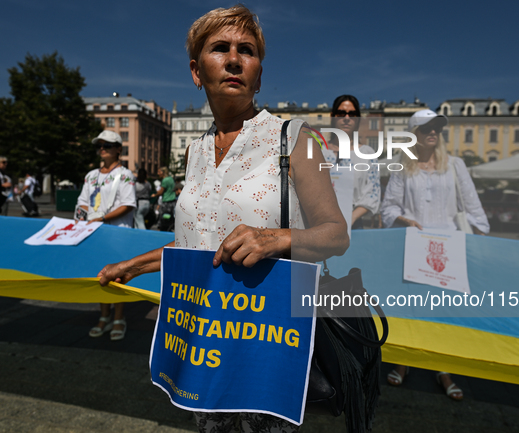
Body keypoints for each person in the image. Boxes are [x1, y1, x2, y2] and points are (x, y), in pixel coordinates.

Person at [97, 5, 348, 432]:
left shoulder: (295, 137)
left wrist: (274, 239)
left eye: (246, 51)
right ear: (197, 72)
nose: (234, 59)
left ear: (259, 74)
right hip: (204, 341)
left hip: (266, 341)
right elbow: (198, 243)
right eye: (220, 49)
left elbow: (336, 235)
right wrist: (134, 265)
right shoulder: (194, 150)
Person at [381, 109, 490, 401]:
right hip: (414, 246)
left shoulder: (455, 165)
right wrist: (405, 219)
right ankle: (404, 361)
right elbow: (388, 207)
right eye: (426, 127)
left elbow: (473, 205)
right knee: (413, 307)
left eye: (438, 128)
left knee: (444, 311)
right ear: (413, 132)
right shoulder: (402, 166)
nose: (433, 132)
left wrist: (482, 238)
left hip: (450, 248)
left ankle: (443, 368)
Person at [76, 130, 136, 341]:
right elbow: (82, 201)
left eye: (107, 145)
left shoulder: (125, 174)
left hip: (117, 234)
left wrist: (100, 217)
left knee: (118, 275)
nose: (102, 149)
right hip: (95, 233)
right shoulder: (91, 175)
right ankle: (104, 315)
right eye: (99, 145)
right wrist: (88, 216)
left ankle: (119, 317)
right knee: (101, 275)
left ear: (118, 149)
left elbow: (128, 204)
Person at [322, 95, 380, 230]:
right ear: (333, 116)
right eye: (341, 113)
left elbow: (373, 194)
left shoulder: (367, 154)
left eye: (352, 114)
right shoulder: (319, 151)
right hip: (319, 222)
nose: (347, 118)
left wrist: (351, 218)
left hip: (354, 224)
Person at [151, 167, 175, 231]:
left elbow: (161, 191)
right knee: (170, 218)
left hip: (166, 201)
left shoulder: (165, 180)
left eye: (159, 172)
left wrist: (155, 195)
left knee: (162, 219)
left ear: (163, 172)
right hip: (172, 201)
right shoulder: (171, 179)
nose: (158, 173)